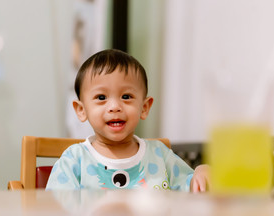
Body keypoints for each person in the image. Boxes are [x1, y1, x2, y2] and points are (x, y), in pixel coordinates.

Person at [46, 49, 209, 192]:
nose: (115, 106)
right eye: (101, 97)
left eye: (126, 97)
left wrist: (201, 172)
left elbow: (192, 191)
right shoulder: (74, 160)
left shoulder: (160, 156)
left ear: (144, 107)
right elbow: (55, 206)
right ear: (82, 110)